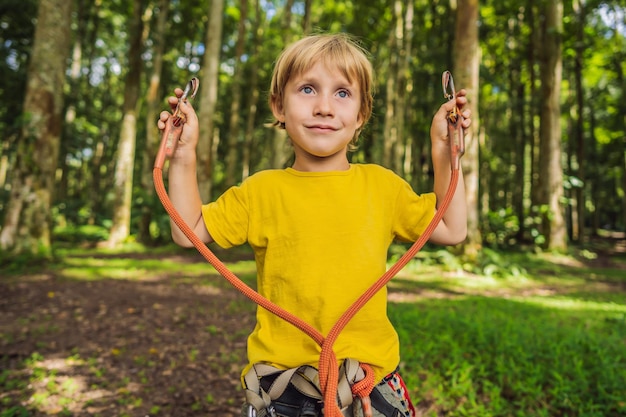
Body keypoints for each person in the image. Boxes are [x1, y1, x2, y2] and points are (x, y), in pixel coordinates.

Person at [158, 33, 471, 417]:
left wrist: (445, 151)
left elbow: (452, 230)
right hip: (283, 386)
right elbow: (187, 229)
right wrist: (184, 154)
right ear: (279, 106)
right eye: (308, 89)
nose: (324, 107)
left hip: (367, 386)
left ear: (360, 116)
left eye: (343, 93)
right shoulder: (261, 191)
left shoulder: (382, 186)